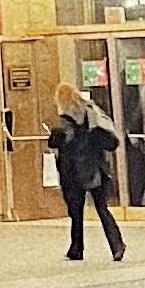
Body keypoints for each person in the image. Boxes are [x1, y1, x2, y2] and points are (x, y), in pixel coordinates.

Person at [48, 79, 127, 263]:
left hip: (73, 170)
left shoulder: (64, 121)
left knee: (76, 212)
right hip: (95, 168)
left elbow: (54, 142)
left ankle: (77, 247)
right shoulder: (92, 113)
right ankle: (117, 244)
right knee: (102, 208)